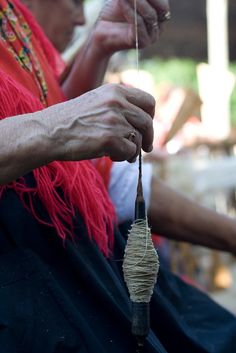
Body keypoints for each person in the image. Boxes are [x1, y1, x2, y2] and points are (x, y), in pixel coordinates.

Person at [0, 1, 236, 353]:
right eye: (75, 2)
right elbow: (53, 129)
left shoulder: (15, 20)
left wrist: (97, 48)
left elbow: (63, 144)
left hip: (73, 260)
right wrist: (55, 128)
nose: (81, 17)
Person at [22, 0, 236, 257]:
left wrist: (100, 43)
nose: (80, 20)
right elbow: (58, 137)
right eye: (75, 3)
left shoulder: (27, 51)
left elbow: (54, 116)